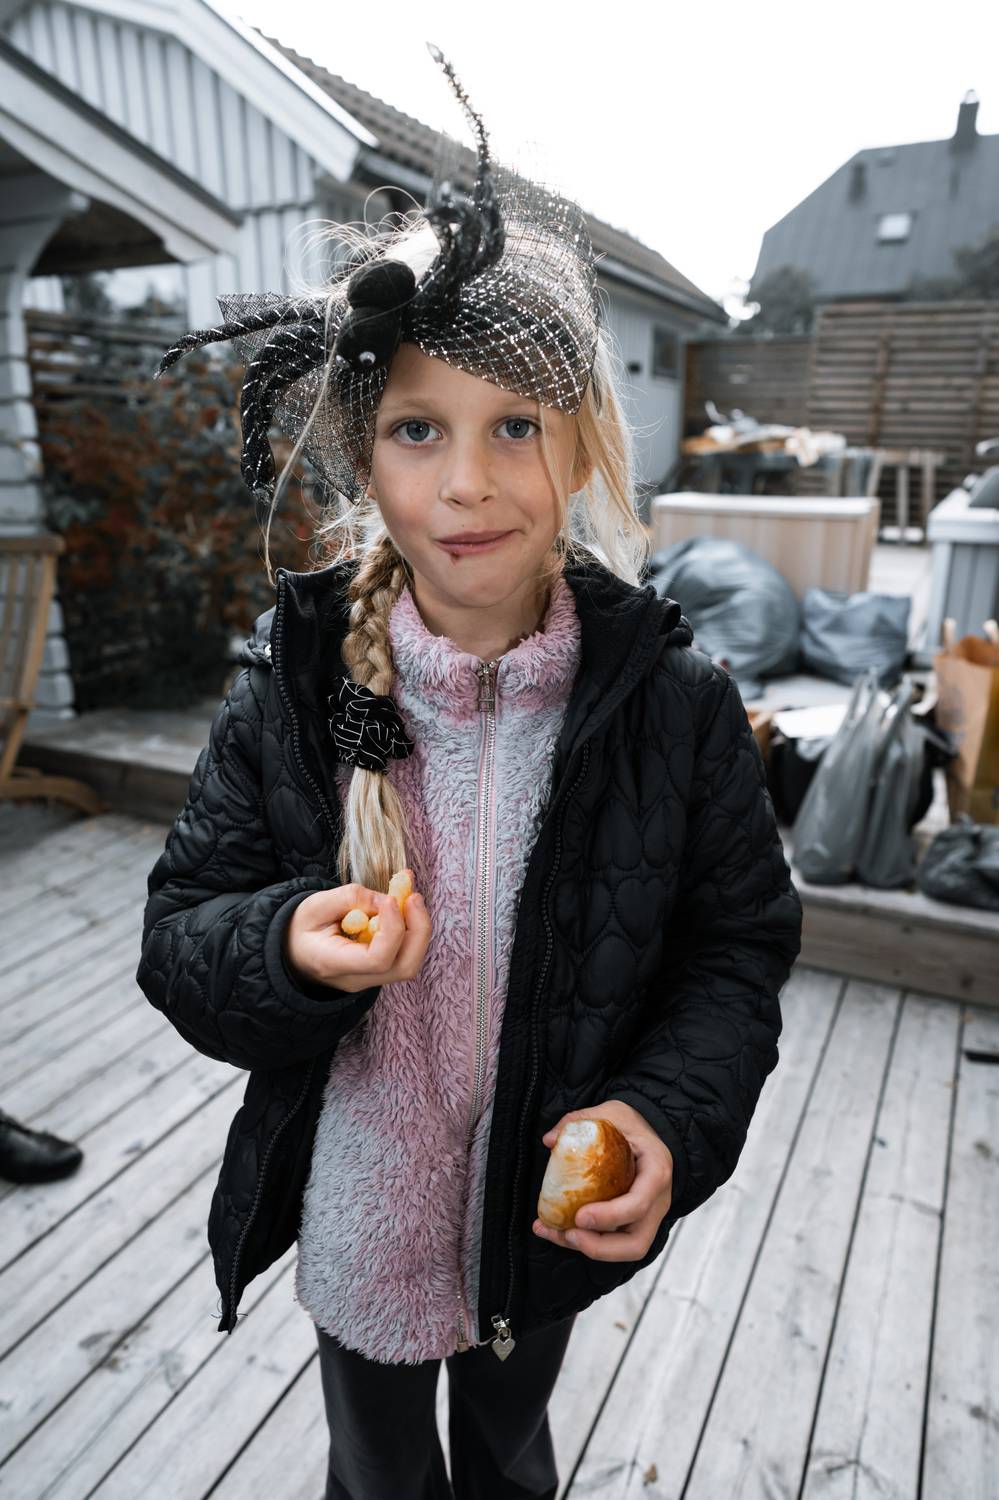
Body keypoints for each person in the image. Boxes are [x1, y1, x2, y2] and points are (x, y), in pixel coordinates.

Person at [136, 43, 803, 1500]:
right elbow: (181, 935)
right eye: (417, 430)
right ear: (363, 461)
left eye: (517, 427)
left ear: (585, 449)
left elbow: (735, 949)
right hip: (360, 1209)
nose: (467, 481)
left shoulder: (675, 707)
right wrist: (289, 945)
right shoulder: (293, 690)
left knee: (508, 1453)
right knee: (377, 1472)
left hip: (544, 1216)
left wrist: (665, 1118)